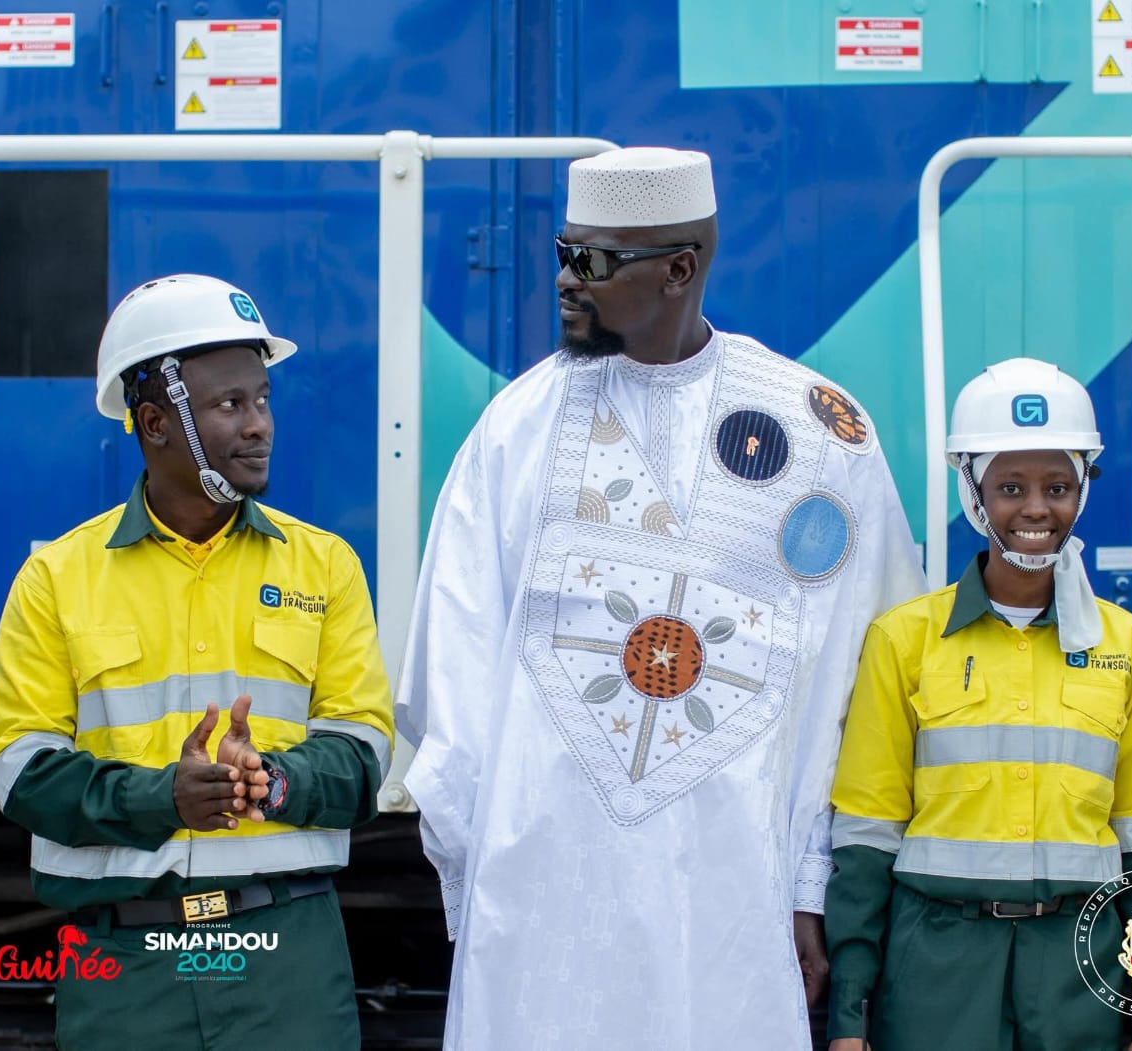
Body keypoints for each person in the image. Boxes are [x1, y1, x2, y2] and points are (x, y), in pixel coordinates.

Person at [396, 146, 925, 1049]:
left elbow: (863, 680)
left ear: (680, 267)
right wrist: (481, 877)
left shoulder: (818, 432)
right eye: (563, 250)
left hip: (735, 895)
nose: (565, 280)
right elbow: (451, 667)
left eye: (594, 261)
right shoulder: (514, 433)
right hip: (544, 896)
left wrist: (812, 883)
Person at [0, 274, 394, 1050]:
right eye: (230, 405)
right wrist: (161, 796)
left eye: (262, 399)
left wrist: (277, 778)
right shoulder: (57, 579)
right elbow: (14, 764)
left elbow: (366, 749)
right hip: (124, 962)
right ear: (155, 422)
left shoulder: (325, 567)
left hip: (285, 954)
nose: (259, 424)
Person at [824, 358, 1132, 1051]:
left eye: (1057, 485)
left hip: (1080, 977)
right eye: (1009, 486)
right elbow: (866, 838)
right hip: (934, 973)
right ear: (973, 492)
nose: (1035, 508)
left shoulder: (1129, 648)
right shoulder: (904, 641)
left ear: (1083, 488)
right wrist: (849, 1015)